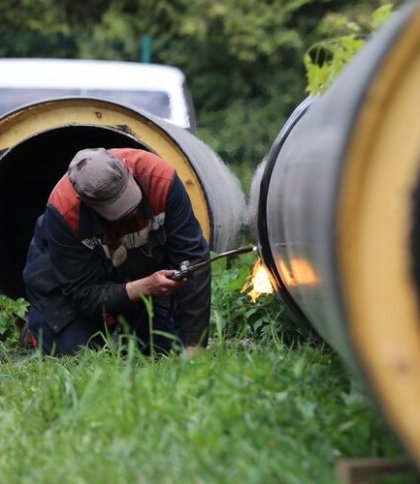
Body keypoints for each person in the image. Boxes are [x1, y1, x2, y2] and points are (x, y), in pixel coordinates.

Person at [22, 147, 211, 356]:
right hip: (69, 284)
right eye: (116, 207)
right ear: (85, 201)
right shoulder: (64, 212)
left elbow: (193, 258)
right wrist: (145, 286)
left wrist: (195, 343)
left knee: (163, 347)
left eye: (127, 197)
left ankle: (123, 324)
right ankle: (36, 330)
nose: (129, 210)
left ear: (127, 169)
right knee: (80, 354)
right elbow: (83, 295)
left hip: (132, 267)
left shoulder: (161, 178)